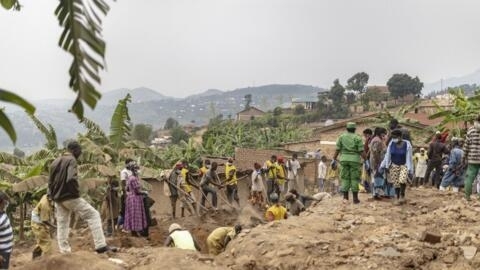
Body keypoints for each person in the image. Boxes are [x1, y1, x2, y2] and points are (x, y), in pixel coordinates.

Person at [48, 141, 116, 253]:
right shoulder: (71, 160)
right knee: (93, 215)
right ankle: (101, 246)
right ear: (74, 150)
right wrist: (76, 193)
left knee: (62, 224)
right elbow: (71, 179)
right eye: (79, 151)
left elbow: (50, 183)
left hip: (58, 199)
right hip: (70, 196)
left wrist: (53, 196)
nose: (80, 153)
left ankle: (65, 252)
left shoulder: (55, 162)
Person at [332, 122, 365, 204]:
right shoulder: (358, 138)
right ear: (354, 129)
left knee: (345, 178)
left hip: (343, 159)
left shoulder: (341, 137)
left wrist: (334, 159)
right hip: (355, 160)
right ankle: (355, 199)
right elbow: (361, 151)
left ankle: (345, 198)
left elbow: (337, 149)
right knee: (354, 178)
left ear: (347, 129)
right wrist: (366, 159)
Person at [379, 129, 413, 205]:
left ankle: (402, 195)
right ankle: (397, 197)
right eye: (393, 137)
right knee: (396, 183)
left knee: (402, 179)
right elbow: (387, 156)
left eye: (395, 137)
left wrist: (411, 169)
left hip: (404, 165)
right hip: (394, 165)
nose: (394, 139)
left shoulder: (407, 145)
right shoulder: (391, 144)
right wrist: (383, 165)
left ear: (400, 137)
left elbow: (410, 158)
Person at [124, 163, 148, 237]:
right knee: (136, 215)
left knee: (132, 215)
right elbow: (137, 191)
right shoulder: (134, 179)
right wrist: (144, 192)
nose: (138, 171)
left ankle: (133, 232)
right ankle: (136, 231)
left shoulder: (130, 178)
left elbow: (127, 188)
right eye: (137, 169)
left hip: (130, 198)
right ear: (134, 170)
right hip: (135, 199)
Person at [31, 194, 55, 259]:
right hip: (38, 224)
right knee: (47, 242)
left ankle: (35, 255)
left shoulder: (46, 196)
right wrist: (54, 226)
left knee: (42, 240)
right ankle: (49, 261)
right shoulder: (45, 205)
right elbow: (44, 220)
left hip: (37, 222)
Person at [463, 115, 480, 201]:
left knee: (469, 178)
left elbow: (466, 145)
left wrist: (464, 157)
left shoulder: (471, 130)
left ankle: (467, 197)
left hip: (472, 159)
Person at [369, 127, 388, 199]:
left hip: (376, 162)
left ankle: (376, 193)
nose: (385, 135)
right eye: (384, 133)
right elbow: (376, 153)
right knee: (377, 177)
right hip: (377, 162)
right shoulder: (377, 141)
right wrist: (378, 163)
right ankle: (376, 194)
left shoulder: (377, 140)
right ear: (380, 133)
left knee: (376, 177)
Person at [118, 158, 134, 229]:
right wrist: (125, 196)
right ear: (127, 164)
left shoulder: (132, 172)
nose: (132, 165)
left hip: (132, 193)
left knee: (130, 211)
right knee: (124, 211)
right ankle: (119, 225)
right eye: (130, 163)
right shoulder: (124, 172)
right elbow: (123, 184)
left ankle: (125, 225)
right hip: (126, 194)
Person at [0, 192, 12, 269]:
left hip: (5, 250)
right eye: (5, 201)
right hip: (2, 252)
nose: (6, 203)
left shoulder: (2, 213)